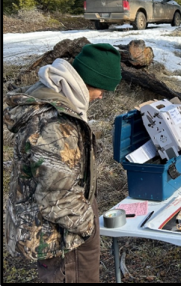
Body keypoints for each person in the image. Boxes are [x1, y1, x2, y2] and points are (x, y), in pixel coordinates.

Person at [4, 43, 122, 283]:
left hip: (65, 229)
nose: (103, 95)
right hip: (64, 237)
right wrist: (88, 227)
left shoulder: (61, 104)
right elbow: (57, 199)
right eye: (103, 88)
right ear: (90, 79)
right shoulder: (56, 124)